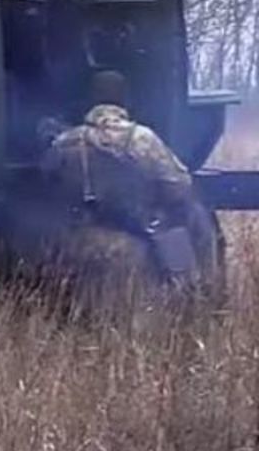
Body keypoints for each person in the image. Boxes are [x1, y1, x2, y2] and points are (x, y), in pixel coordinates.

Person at [40, 69, 215, 303]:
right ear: (125, 100)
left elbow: (47, 183)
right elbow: (179, 189)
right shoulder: (142, 138)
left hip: (77, 236)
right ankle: (202, 300)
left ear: (90, 101)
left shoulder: (65, 142)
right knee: (195, 219)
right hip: (136, 231)